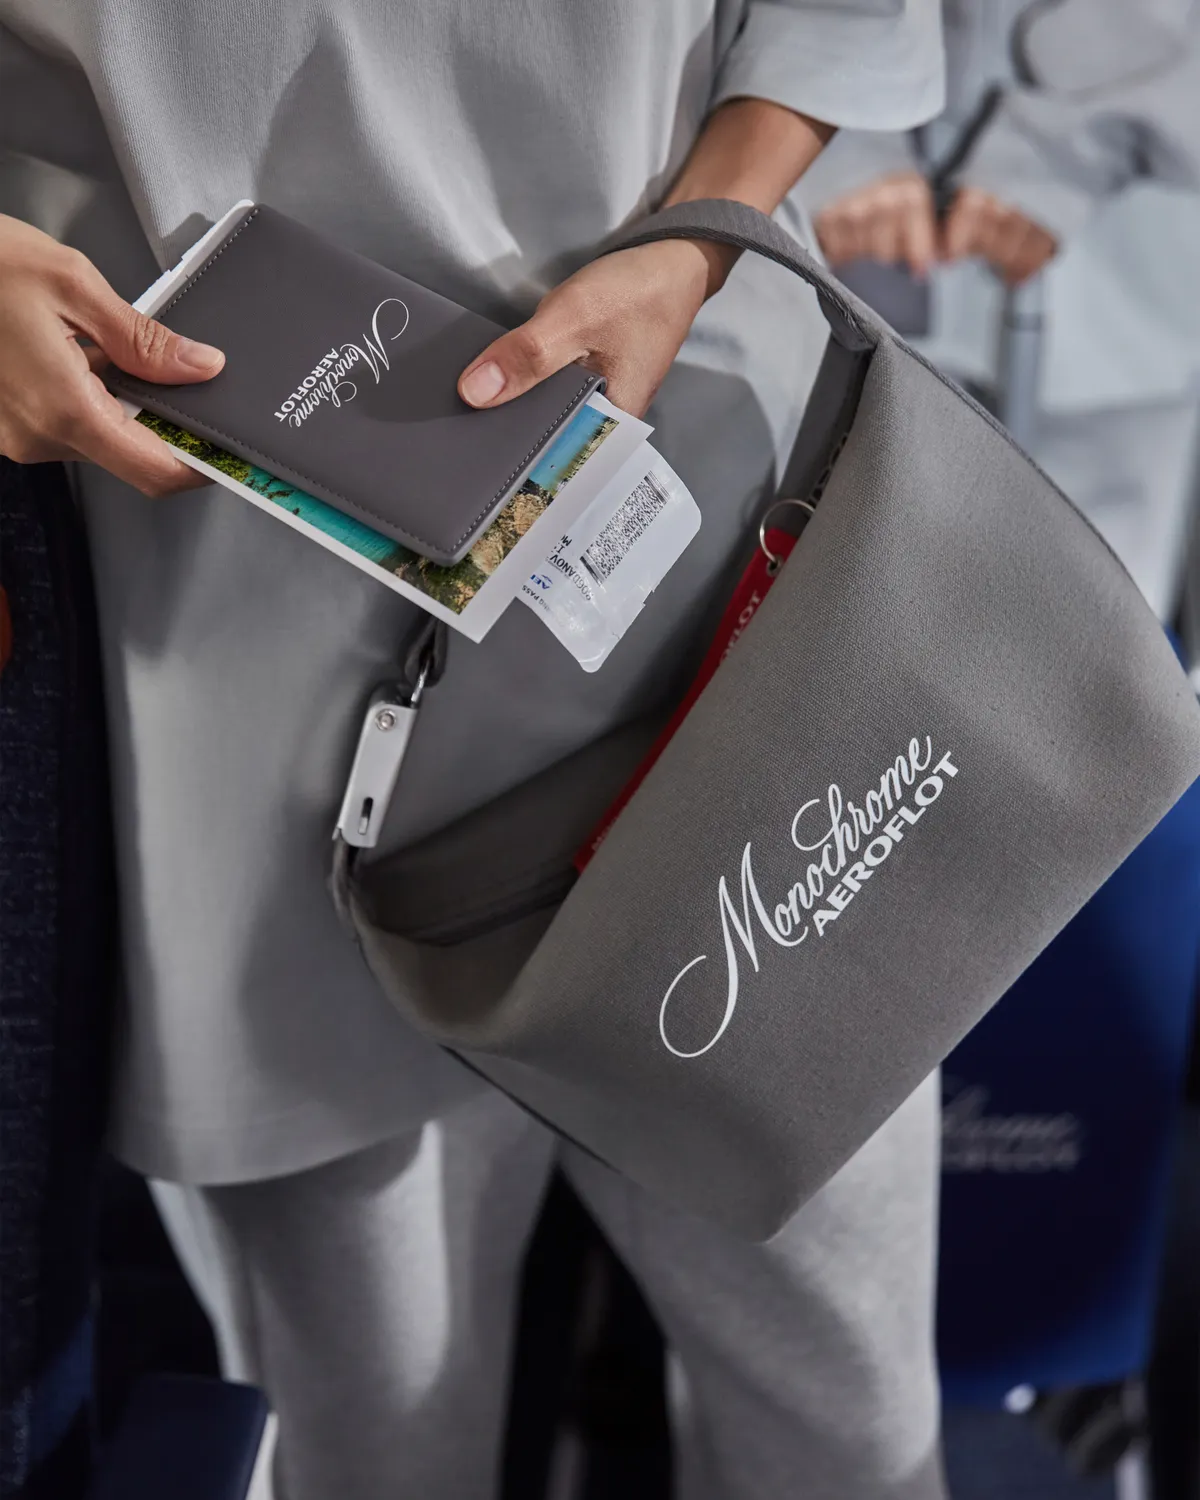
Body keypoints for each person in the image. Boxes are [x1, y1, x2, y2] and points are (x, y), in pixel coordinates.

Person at [0, 6, 947, 1497]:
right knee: (379, 1446)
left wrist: (706, 233)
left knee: (850, 1422)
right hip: (233, 661)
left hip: (702, 551)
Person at [796, 0, 1200, 622]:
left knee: (1088, 624)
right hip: (855, 249)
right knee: (850, 606)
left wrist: (1069, 147)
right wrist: (837, 116)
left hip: (1117, 280)